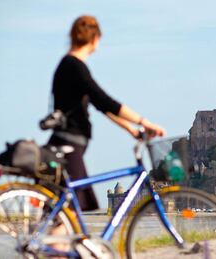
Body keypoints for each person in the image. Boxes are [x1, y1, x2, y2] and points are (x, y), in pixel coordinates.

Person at [48, 15, 165, 211]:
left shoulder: (69, 66)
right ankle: (51, 242)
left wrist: (131, 129)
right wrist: (144, 122)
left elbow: (101, 107)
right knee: (70, 212)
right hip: (70, 143)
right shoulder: (74, 66)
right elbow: (105, 101)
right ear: (94, 39)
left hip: (68, 142)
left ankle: (61, 241)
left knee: (68, 212)